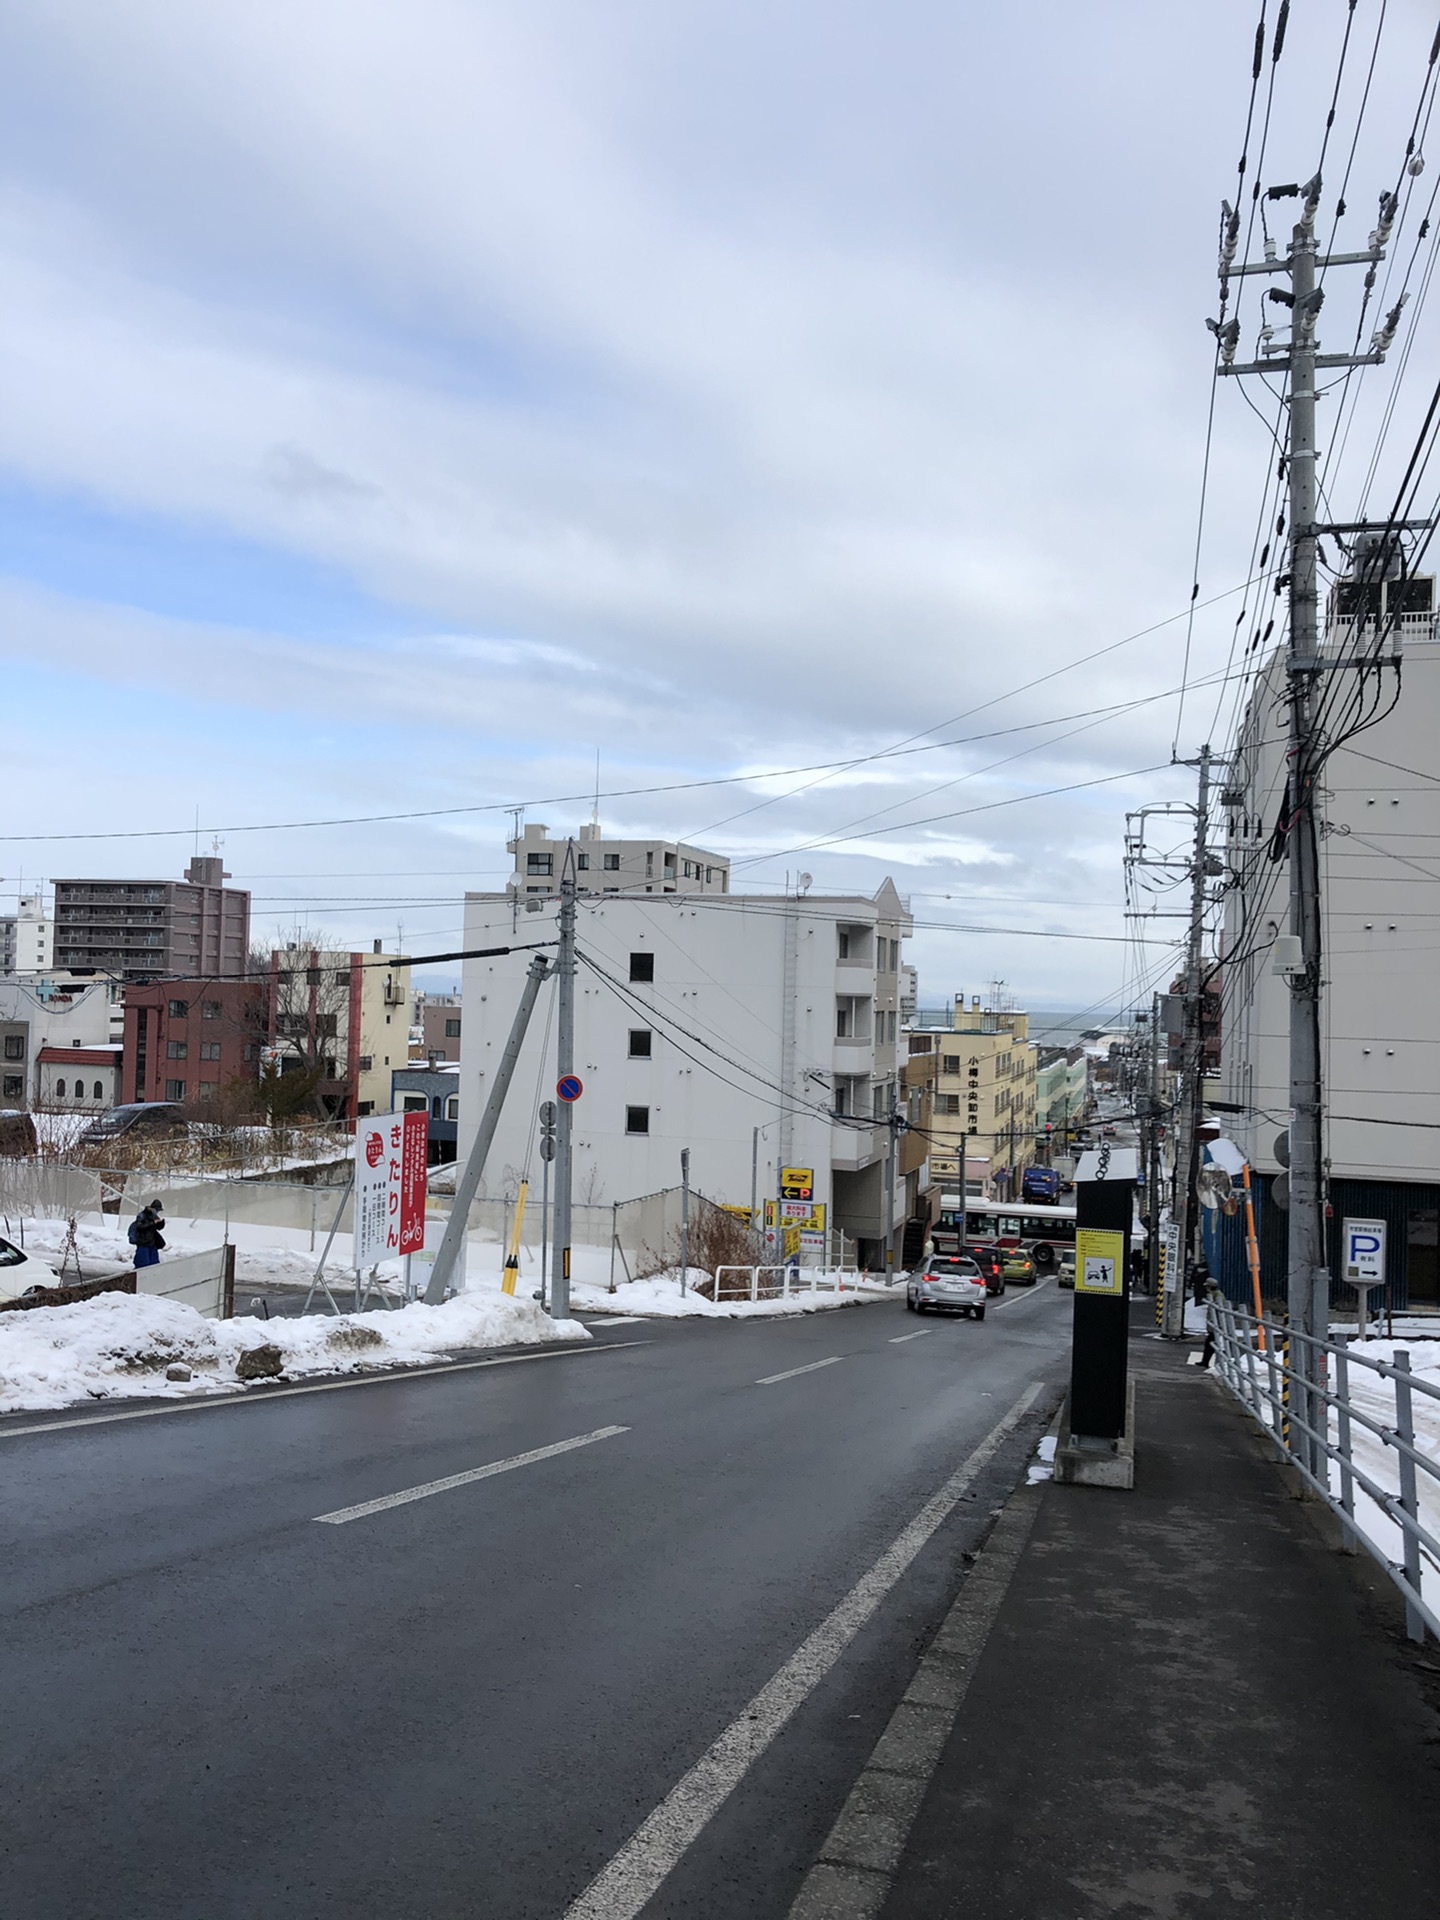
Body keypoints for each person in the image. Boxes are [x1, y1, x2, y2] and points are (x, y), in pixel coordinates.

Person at [128, 1201, 166, 1270]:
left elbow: (157, 1228)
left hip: (152, 1243)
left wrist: (160, 1224)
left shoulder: (154, 1216)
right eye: (157, 1210)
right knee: (143, 1264)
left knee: (154, 1263)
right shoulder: (142, 1215)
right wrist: (152, 1223)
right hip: (143, 1243)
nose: (157, 1212)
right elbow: (140, 1227)